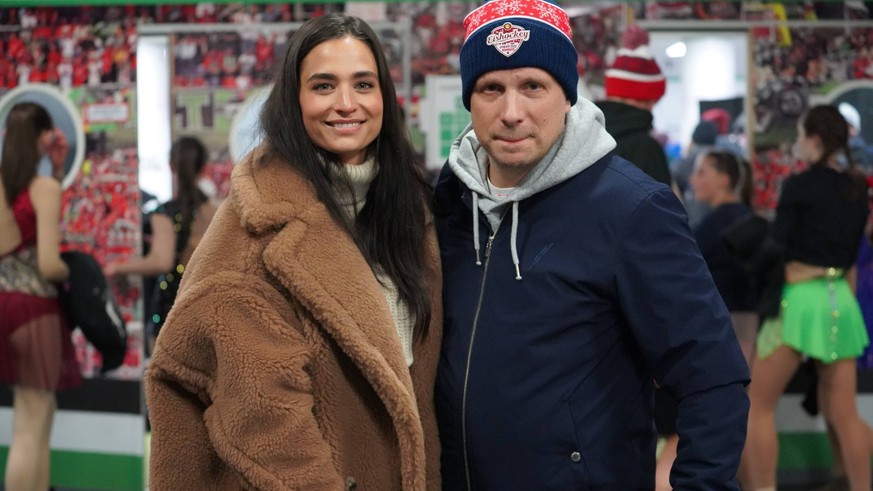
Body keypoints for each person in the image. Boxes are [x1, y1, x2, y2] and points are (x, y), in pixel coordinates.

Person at [433, 0, 750, 489]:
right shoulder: (449, 205)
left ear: (567, 96)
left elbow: (712, 377)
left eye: (532, 86)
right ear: (469, 100)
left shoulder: (632, 209)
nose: (511, 112)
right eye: (491, 88)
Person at [145, 13, 442, 490]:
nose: (347, 104)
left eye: (363, 84)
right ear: (293, 100)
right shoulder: (254, 230)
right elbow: (267, 423)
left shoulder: (411, 212)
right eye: (323, 86)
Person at [742, 105, 870, 491]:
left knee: (757, 407)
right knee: (845, 412)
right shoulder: (858, 187)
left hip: (797, 301)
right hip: (842, 301)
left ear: (814, 139)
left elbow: (776, 245)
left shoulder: (799, 187)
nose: (797, 144)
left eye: (799, 136)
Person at [0, 102, 82, 490]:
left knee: (34, 417)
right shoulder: (44, 188)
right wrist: (76, 271)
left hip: (7, 307)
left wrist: (57, 168)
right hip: (37, 309)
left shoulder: (5, 186)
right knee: (31, 428)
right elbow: (50, 265)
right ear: (42, 136)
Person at [103, 136, 217, 355]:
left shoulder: (164, 213)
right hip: (209, 304)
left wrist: (119, 267)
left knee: (165, 382)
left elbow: (161, 261)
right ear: (204, 168)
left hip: (172, 305)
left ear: (171, 166)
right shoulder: (216, 212)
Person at [595, 24, 673, 187]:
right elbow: (662, 209)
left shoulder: (585, 135)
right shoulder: (646, 148)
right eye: (653, 100)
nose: (653, 108)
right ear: (640, 99)